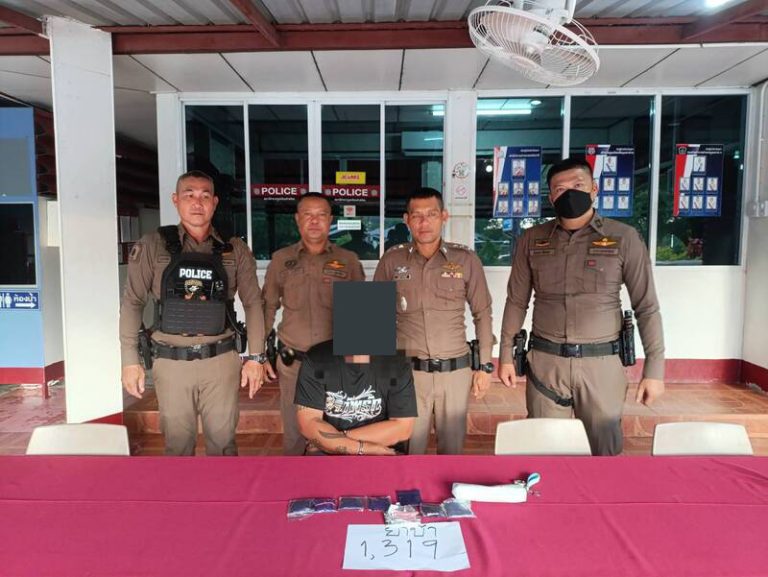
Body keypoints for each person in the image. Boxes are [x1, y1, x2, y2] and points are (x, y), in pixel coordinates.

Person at [498, 157, 665, 456]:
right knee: (544, 449)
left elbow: (647, 307)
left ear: (594, 189)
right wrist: (505, 356)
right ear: (551, 197)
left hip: (601, 365)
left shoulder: (624, 238)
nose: (570, 193)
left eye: (578, 185)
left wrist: (655, 369)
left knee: (604, 451)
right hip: (546, 364)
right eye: (560, 189)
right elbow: (516, 301)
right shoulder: (532, 240)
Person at [120, 170, 268, 456]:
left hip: (221, 361)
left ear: (214, 202)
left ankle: (222, 488)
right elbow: (132, 302)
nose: (197, 203)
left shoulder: (234, 249)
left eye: (204, 196)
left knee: (224, 445)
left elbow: (253, 303)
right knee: (177, 447)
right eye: (189, 195)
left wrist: (256, 357)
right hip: (171, 362)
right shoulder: (152, 245)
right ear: (175, 200)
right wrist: (129, 361)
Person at [374, 187, 494, 455]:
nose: (424, 222)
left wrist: (485, 366)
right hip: (408, 374)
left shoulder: (466, 260)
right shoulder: (392, 260)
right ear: (406, 220)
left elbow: (483, 313)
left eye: (431, 214)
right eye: (417, 216)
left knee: (452, 450)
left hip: (455, 374)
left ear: (444, 216)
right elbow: (375, 317)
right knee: (408, 448)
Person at [262, 192, 365, 455]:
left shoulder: (348, 260)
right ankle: (295, 478)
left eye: (321, 215)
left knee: (337, 431)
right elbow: (267, 307)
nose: (315, 221)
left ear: (330, 219)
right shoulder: (281, 259)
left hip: (337, 364)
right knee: (294, 433)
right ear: (297, 219)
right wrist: (259, 354)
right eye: (308, 215)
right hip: (293, 363)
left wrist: (362, 366)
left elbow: (362, 313)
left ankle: (334, 479)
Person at [294, 282, 416, 455]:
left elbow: (402, 428)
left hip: (379, 450)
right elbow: (308, 423)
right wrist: (362, 448)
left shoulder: (397, 363)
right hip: (331, 454)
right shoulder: (316, 359)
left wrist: (335, 440)